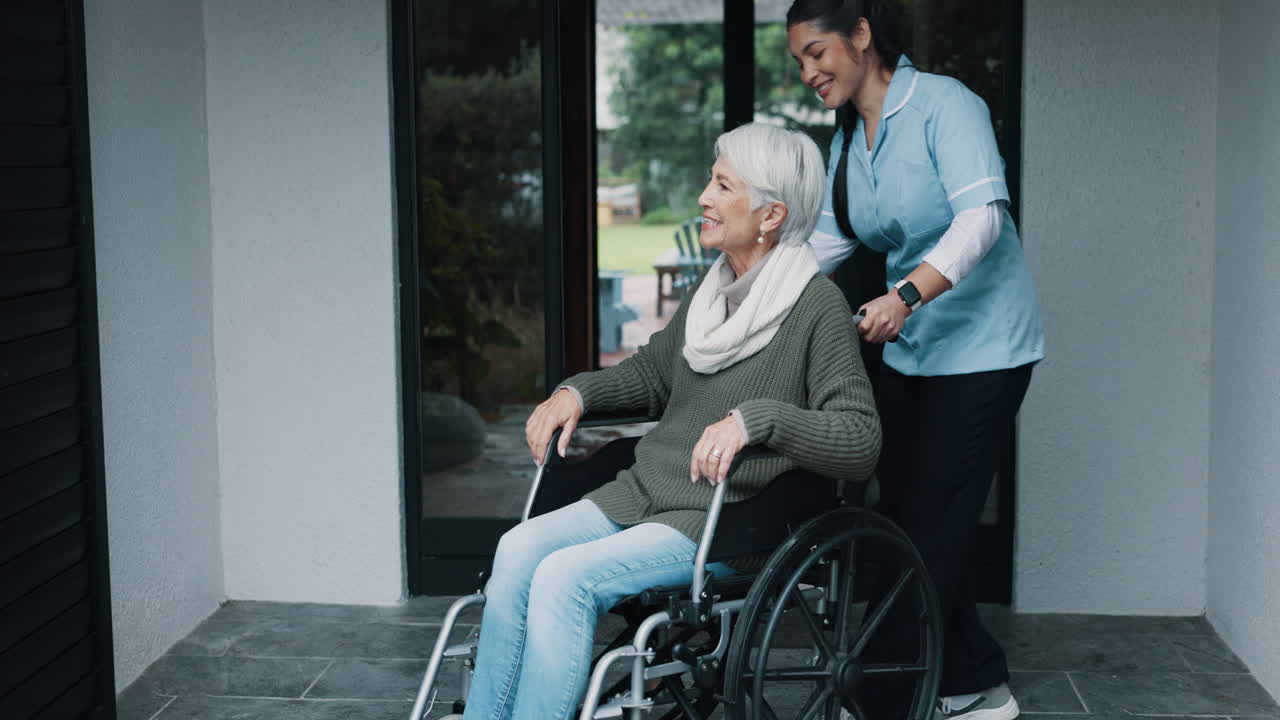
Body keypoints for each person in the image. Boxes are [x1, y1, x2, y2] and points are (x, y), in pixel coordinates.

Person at [443, 122, 881, 720]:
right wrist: (577, 393)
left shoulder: (816, 308)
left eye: (722, 184)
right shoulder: (713, 290)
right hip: (646, 491)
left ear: (771, 214)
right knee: (519, 549)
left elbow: (859, 440)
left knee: (566, 579)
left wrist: (757, 421)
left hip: (723, 520)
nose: (704, 195)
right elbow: (651, 375)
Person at [785, 2, 1045, 719]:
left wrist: (904, 293)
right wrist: (754, 294)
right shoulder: (851, 138)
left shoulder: (944, 106)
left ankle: (899, 692)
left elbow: (983, 217)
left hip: (985, 347)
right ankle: (973, 679)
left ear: (862, 35)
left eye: (817, 53)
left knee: (936, 516)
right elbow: (829, 244)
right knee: (900, 518)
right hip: (913, 352)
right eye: (800, 62)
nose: (809, 72)